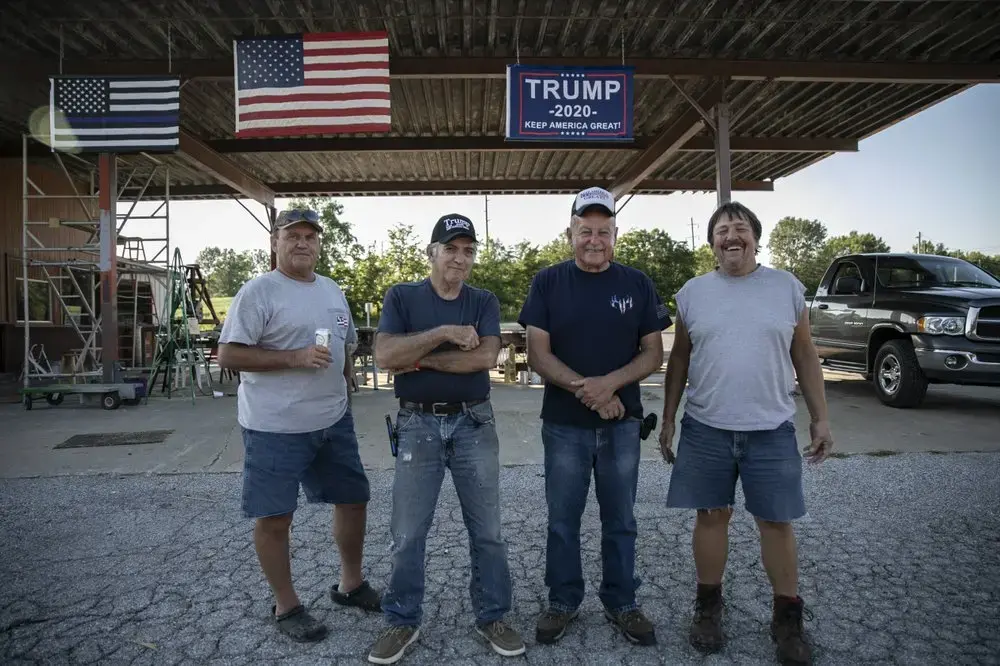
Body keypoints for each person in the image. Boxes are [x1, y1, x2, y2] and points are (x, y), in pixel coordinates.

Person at [659, 201, 834, 665]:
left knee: (777, 523)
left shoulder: (787, 288)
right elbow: (679, 359)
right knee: (711, 517)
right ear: (712, 242)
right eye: (722, 229)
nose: (731, 235)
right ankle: (709, 609)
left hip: (771, 428)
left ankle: (787, 619)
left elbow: (805, 354)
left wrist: (820, 417)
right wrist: (669, 416)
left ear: (756, 238)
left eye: (740, 228)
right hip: (707, 427)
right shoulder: (693, 293)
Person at [218, 208, 380, 643]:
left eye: (311, 236)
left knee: (353, 500)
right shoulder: (258, 292)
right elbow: (229, 356)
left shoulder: (332, 290)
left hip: (332, 421)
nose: (303, 243)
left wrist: (346, 391)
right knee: (275, 517)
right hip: (275, 427)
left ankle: (350, 585)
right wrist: (293, 357)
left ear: (320, 243)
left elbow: (345, 349)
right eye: (293, 236)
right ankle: (286, 605)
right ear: (276, 242)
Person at [517, 186, 670, 647]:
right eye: (586, 230)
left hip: (623, 424)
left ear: (615, 235)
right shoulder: (547, 282)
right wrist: (592, 392)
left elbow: (653, 352)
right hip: (565, 425)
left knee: (620, 518)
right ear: (570, 233)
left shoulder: (637, 283)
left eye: (604, 231)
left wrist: (610, 385)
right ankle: (563, 601)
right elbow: (538, 354)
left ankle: (621, 600)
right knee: (563, 518)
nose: (595, 239)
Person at [368, 213, 524, 665]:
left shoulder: (483, 300)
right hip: (417, 424)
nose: (460, 258)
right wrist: (443, 335)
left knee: (489, 532)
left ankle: (493, 615)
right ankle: (401, 620)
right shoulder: (402, 296)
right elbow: (383, 355)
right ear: (432, 252)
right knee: (408, 531)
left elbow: (485, 359)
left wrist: (418, 360)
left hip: (474, 423)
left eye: (468, 250)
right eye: (451, 248)